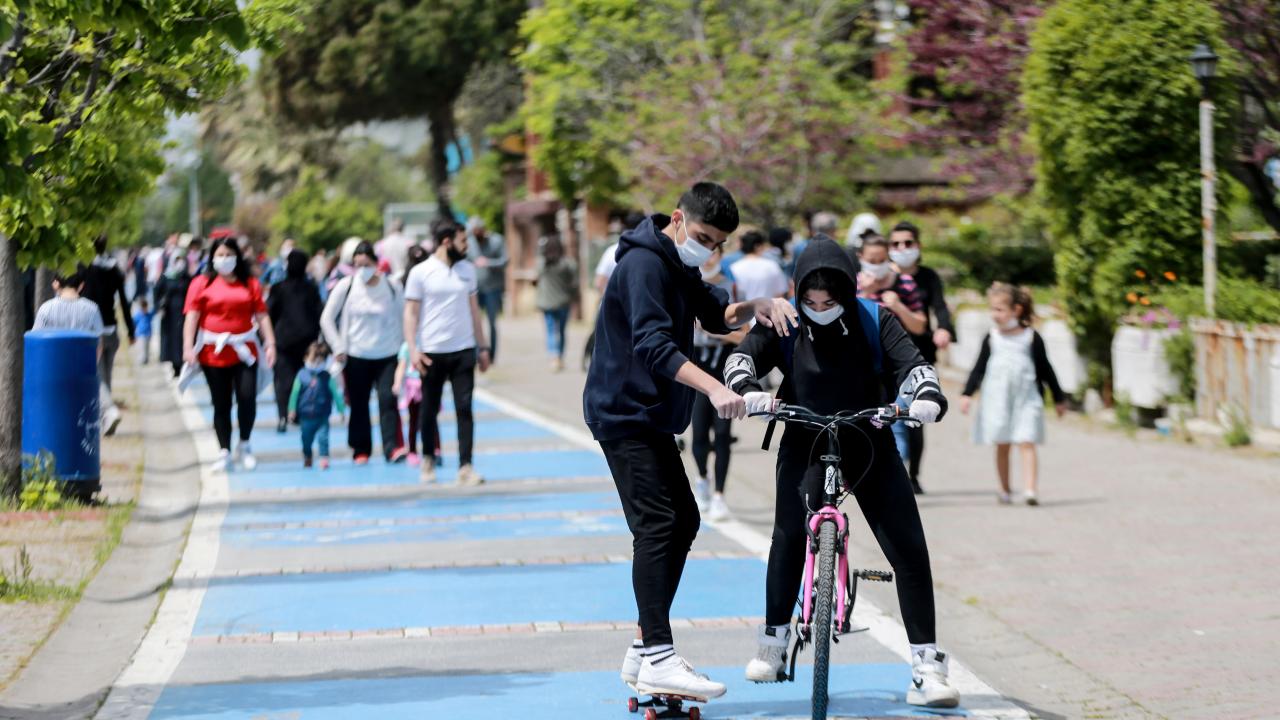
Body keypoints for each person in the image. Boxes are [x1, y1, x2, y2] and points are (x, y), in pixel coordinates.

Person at [722, 237, 959, 708]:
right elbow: (740, 359)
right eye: (810, 301)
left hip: (867, 436)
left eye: (831, 302)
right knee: (788, 535)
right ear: (796, 292)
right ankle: (773, 641)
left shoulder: (874, 317)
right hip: (803, 433)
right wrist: (748, 391)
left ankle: (927, 665)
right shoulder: (783, 318)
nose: (819, 309)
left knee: (908, 546)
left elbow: (914, 367)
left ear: (849, 293)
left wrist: (927, 398)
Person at [584, 181, 797, 702]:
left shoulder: (677, 260)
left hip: (650, 415)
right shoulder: (641, 265)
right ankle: (658, 654)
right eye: (704, 236)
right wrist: (717, 390)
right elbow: (654, 345)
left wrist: (759, 305)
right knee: (658, 524)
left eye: (720, 243)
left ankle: (642, 646)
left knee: (685, 519)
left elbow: (713, 316)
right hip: (623, 413)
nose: (711, 250)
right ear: (678, 219)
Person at [960, 284, 1066, 506]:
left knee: (1027, 440)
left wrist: (1058, 398)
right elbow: (978, 368)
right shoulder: (991, 337)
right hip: (997, 399)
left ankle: (1030, 489)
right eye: (993, 309)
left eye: (999, 309)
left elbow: (1045, 368)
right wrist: (967, 393)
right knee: (1002, 442)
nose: (994, 314)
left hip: (1026, 397)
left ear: (1016, 310)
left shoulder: (1030, 337)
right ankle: (1004, 488)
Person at [403, 223, 491, 485]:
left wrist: (483, 346)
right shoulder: (421, 272)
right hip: (432, 352)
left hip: (463, 350)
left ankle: (465, 466)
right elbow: (410, 313)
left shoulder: (467, 271)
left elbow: (475, 311)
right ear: (446, 241)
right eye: (463, 241)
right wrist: (413, 349)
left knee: (465, 409)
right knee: (429, 410)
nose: (467, 246)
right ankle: (428, 459)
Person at [183, 236, 278, 472]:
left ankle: (244, 444)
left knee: (247, 397)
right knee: (221, 402)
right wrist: (187, 347)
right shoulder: (201, 283)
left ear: (237, 257)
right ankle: (224, 450)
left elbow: (262, 314)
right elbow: (192, 316)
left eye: (229, 255)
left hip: (244, 351)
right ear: (212, 257)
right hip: (212, 352)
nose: (224, 260)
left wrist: (270, 343)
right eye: (220, 255)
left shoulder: (250, 283)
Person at [321, 241, 407, 465]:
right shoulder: (346, 286)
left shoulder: (391, 287)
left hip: (388, 354)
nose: (362, 269)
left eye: (366, 264)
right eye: (357, 265)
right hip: (357, 355)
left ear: (376, 263)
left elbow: (405, 317)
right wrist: (338, 346)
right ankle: (361, 449)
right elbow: (326, 318)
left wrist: (406, 350)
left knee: (388, 400)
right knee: (359, 404)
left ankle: (392, 447)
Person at [887, 221, 956, 494]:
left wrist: (944, 328)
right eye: (896, 244)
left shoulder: (928, 276)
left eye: (908, 243)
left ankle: (912, 475)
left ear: (918, 246)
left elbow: (940, 307)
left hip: (919, 354)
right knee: (883, 413)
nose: (902, 248)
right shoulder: (881, 278)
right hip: (886, 356)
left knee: (916, 418)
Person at [689, 245, 747, 520]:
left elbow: (744, 335)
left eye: (714, 252)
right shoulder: (687, 284)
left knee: (722, 434)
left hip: (724, 367)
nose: (709, 257)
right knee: (699, 433)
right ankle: (702, 480)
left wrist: (715, 328)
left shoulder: (732, 289)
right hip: (696, 367)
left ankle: (720, 495)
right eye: (705, 251)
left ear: (721, 256)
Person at [81, 234, 135, 437]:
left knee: (97, 376)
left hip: (92, 329)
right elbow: (124, 300)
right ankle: (106, 419)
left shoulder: (85, 270)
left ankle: (109, 411)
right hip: (111, 329)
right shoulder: (114, 270)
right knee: (107, 376)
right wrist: (131, 330)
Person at [267, 249, 323, 433]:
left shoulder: (278, 288)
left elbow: (269, 313)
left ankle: (283, 415)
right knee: (305, 379)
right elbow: (319, 314)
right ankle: (299, 413)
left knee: (283, 381)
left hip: (283, 341)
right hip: (307, 342)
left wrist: (269, 338)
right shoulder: (311, 289)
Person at [288, 341, 346, 470]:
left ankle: (324, 457)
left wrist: (341, 410)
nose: (316, 364)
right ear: (306, 358)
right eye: (313, 360)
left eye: (320, 362)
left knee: (323, 438)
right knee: (306, 439)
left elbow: (336, 394)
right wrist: (292, 410)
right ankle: (307, 455)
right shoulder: (301, 375)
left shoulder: (327, 377)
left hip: (322, 415)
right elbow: (295, 394)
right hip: (305, 416)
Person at [466, 217, 508, 362]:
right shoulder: (469, 242)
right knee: (474, 321)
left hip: (493, 288)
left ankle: (492, 355)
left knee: (492, 322)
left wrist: (488, 263)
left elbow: (505, 260)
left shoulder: (497, 240)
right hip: (475, 290)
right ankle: (478, 352)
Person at [535, 234, 578, 372]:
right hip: (563, 302)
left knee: (550, 330)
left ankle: (554, 357)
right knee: (562, 330)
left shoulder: (542, 263)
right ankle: (560, 356)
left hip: (546, 303)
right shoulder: (567, 263)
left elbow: (536, 279)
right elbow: (574, 282)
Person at [155, 253, 192, 378]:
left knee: (182, 339)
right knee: (172, 341)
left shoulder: (187, 277)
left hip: (184, 313)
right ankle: (175, 366)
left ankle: (182, 365)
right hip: (169, 314)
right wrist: (159, 307)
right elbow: (157, 292)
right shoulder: (166, 277)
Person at [729, 229, 789, 303]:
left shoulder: (734, 268)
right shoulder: (771, 266)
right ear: (758, 246)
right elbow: (780, 293)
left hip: (743, 311)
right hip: (768, 311)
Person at [133, 299, 155, 365]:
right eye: (143, 308)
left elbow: (154, 311)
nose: (144, 310)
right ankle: (142, 360)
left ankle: (146, 359)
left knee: (147, 347)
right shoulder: (138, 315)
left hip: (148, 333)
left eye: (145, 308)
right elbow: (133, 323)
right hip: (140, 334)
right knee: (142, 347)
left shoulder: (149, 314)